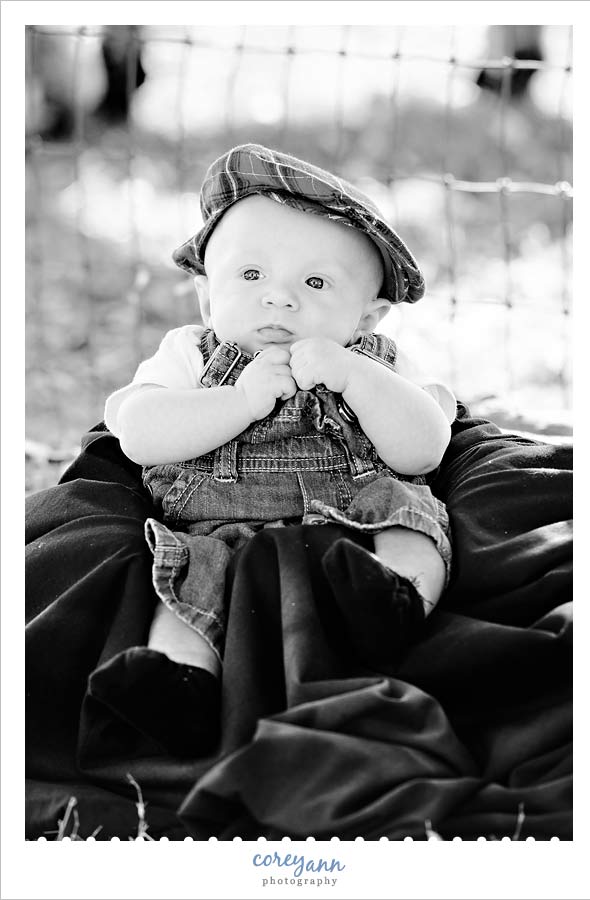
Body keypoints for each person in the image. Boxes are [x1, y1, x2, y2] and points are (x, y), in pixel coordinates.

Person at [99, 143, 456, 757]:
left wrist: (357, 378)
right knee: (188, 584)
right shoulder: (191, 352)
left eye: (315, 282)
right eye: (251, 276)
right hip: (216, 523)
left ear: (369, 317)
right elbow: (138, 432)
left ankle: (394, 600)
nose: (280, 298)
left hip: (353, 519)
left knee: (412, 515)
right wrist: (236, 402)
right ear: (208, 297)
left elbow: (423, 452)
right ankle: (178, 682)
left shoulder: (381, 363)